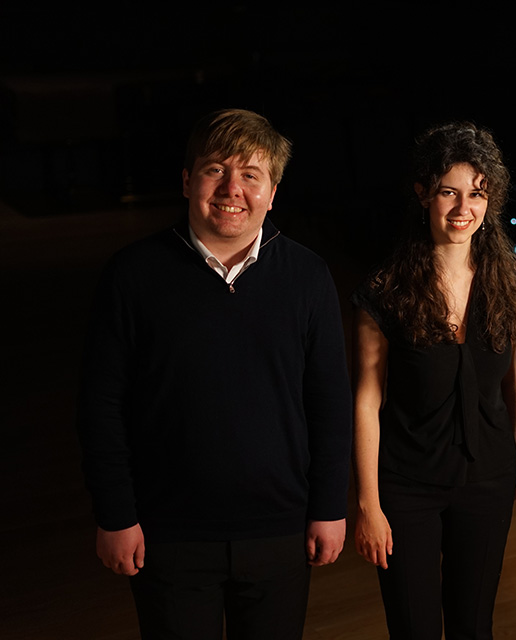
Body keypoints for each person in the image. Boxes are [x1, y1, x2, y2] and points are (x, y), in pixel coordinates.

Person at [76, 108, 353, 640]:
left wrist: (328, 507)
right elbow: (100, 405)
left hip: (281, 530)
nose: (232, 189)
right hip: (167, 533)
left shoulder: (308, 276)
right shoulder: (132, 274)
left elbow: (329, 402)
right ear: (186, 180)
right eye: (214, 170)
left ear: (273, 193)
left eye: (251, 175)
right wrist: (115, 513)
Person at [352, 122, 516, 640]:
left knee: (474, 626)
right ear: (422, 193)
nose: (463, 209)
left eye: (476, 194)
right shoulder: (385, 291)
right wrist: (369, 504)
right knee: (413, 628)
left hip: (488, 482)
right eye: (448, 192)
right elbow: (366, 402)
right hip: (406, 487)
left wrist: (508, 461)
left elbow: (506, 386)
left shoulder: (509, 281)